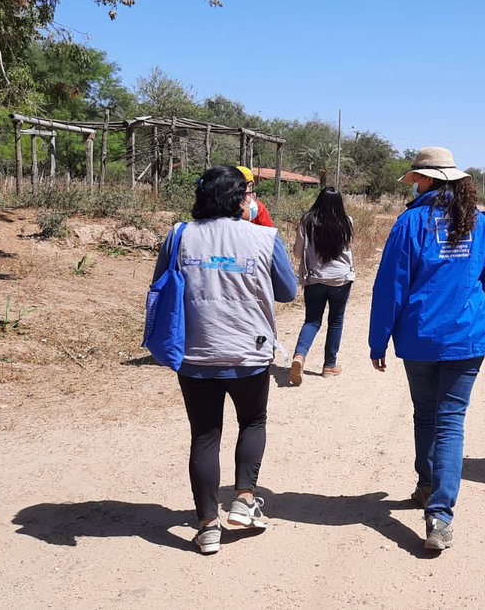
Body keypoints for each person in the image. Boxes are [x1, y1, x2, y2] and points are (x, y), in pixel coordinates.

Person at [151, 165, 298, 554]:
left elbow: (160, 285)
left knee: (204, 435)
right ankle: (244, 500)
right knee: (252, 421)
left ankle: (208, 526)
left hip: (194, 352)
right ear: (239, 199)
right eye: (249, 195)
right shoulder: (265, 237)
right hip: (249, 352)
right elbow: (287, 292)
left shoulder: (179, 235)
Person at [369, 146, 485, 552]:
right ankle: (440, 517)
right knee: (451, 422)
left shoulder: (410, 223)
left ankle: (427, 487)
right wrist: (482, 328)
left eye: (417, 179)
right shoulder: (479, 225)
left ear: (429, 180)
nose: (415, 185)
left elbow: (390, 287)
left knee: (425, 413)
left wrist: (379, 340)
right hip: (466, 337)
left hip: (420, 338)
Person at [290, 187, 356, 385]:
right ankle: (329, 366)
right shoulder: (347, 221)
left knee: (312, 321)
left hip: (315, 279)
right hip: (340, 279)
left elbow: (298, 253)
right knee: (335, 321)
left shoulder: (307, 221)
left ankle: (299, 356)